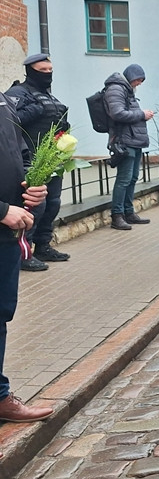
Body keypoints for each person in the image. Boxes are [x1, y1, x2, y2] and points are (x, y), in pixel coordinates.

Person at [0, 89, 54, 425]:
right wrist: (2, 210)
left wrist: (31, 188)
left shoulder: (3, 101)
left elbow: (19, 153)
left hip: (6, 234)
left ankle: (0, 397)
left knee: (0, 314)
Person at [6, 53, 70, 271]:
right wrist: (33, 111)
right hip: (29, 161)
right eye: (43, 71)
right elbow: (8, 122)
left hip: (50, 161)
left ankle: (43, 246)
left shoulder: (49, 96)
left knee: (52, 203)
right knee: (34, 207)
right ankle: (24, 253)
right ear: (30, 71)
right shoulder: (17, 93)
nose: (48, 74)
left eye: (50, 70)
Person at [104, 64, 155, 230]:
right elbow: (117, 113)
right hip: (124, 141)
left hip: (134, 140)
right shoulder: (116, 89)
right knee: (124, 179)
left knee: (132, 178)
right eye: (138, 79)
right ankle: (117, 215)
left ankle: (128, 211)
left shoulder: (127, 90)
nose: (139, 83)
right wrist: (142, 114)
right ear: (132, 76)